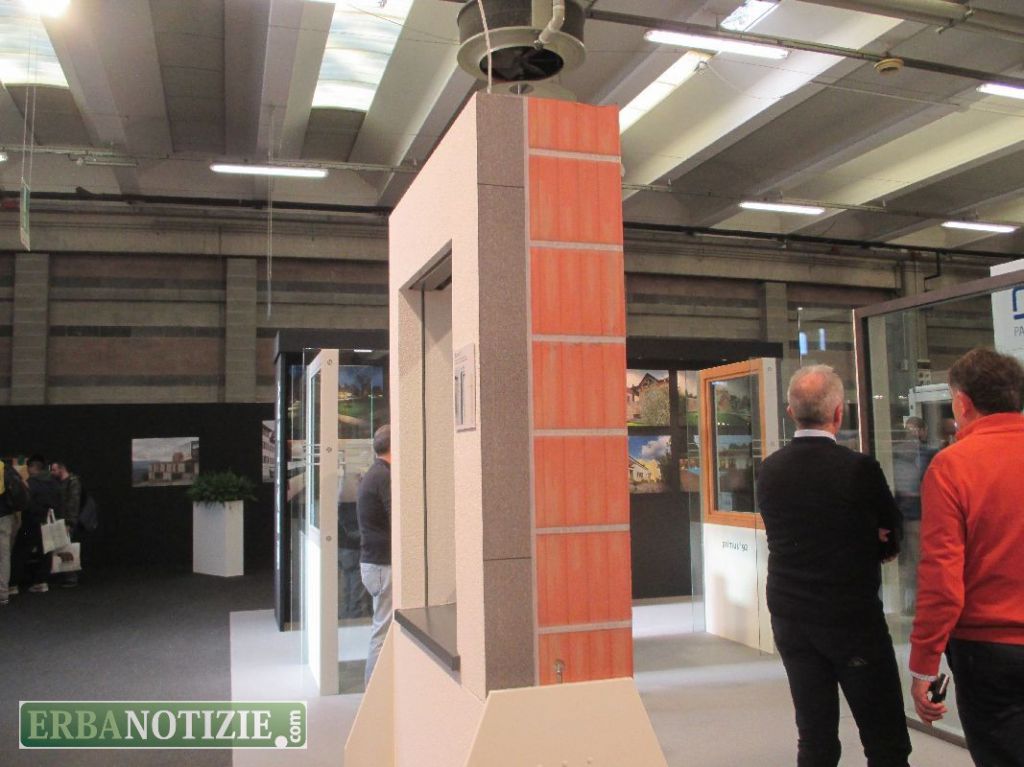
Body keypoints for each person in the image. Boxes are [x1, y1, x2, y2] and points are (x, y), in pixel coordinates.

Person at [756, 365, 911, 767]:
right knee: (886, 740)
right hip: (851, 619)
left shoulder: (769, 470)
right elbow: (892, 533)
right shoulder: (859, 469)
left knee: (815, 736)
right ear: (839, 413)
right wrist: (870, 541)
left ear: (791, 412)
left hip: (790, 616)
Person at [909, 348, 1024, 766]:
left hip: (988, 650)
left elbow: (942, 578)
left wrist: (924, 663)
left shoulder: (953, 466)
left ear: (962, 402)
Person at [357, 424, 391, 687]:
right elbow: (397, 518)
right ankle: (373, 693)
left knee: (382, 627)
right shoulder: (384, 477)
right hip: (382, 565)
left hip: (373, 563)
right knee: (383, 631)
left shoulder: (374, 473)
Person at [891, 417, 935, 614]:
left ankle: (915, 602)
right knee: (907, 562)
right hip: (907, 515)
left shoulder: (928, 454)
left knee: (915, 561)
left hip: (916, 515)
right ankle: (907, 602)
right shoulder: (897, 456)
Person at [13, 455, 65, 594]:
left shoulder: (30, 483)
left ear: (32, 467)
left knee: (20, 551)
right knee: (46, 551)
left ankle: (12, 584)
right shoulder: (54, 483)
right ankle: (41, 582)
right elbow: (60, 502)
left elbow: (24, 502)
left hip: (31, 522)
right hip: (49, 522)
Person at [0, 459, 29, 605]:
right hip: (5, 516)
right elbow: (23, 487)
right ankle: (3, 593)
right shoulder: (7, 468)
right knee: (4, 556)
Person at [50, 461, 82, 587]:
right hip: (60, 520)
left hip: (66, 520)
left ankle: (71, 577)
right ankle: (67, 575)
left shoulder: (72, 482)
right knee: (62, 548)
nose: (52, 472)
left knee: (67, 549)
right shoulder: (61, 482)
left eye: (54, 470)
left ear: (61, 469)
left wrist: (69, 522)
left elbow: (73, 504)